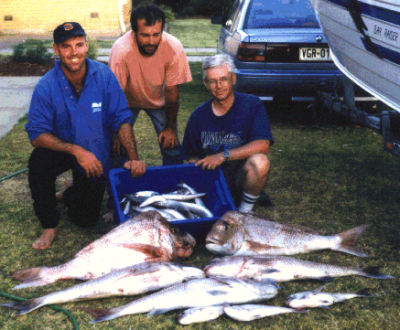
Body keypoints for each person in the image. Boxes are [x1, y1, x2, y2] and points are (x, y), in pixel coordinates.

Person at [25, 22, 146, 250]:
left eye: (79, 45)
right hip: (66, 149)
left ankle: (72, 191)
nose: (74, 52)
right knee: (39, 161)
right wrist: (76, 151)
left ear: (86, 45)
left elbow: (121, 118)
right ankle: (49, 224)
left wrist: (133, 157)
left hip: (98, 149)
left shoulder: (104, 75)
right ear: (56, 49)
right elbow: (36, 134)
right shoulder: (46, 86)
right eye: (66, 46)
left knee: (86, 219)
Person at [182, 54, 273, 213]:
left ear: (233, 79)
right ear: (206, 84)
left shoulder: (252, 105)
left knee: (260, 162)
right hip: (212, 179)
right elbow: (190, 156)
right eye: (212, 81)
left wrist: (223, 155)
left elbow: (263, 145)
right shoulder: (198, 116)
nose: (219, 85)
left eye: (223, 79)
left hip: (240, 176)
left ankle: (244, 212)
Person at [109, 3, 192, 165]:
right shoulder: (120, 49)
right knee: (117, 147)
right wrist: (116, 132)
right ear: (134, 32)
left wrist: (170, 128)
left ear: (163, 30)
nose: (151, 41)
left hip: (159, 101)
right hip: (125, 102)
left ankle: (174, 184)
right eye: (145, 35)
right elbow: (114, 95)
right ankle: (122, 185)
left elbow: (172, 92)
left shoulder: (174, 47)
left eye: (156, 34)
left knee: (171, 145)